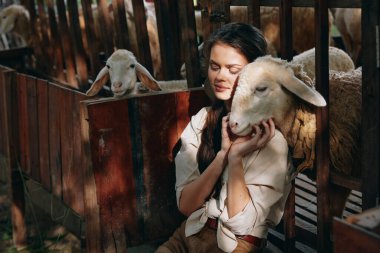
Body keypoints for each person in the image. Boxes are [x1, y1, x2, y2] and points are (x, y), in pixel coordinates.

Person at [156, 23, 293, 253]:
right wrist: (222, 157)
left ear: (254, 72)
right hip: (188, 234)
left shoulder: (270, 140)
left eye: (233, 69)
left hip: (235, 245)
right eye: (214, 66)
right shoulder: (202, 121)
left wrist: (236, 158)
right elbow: (186, 205)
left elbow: (240, 224)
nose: (220, 76)